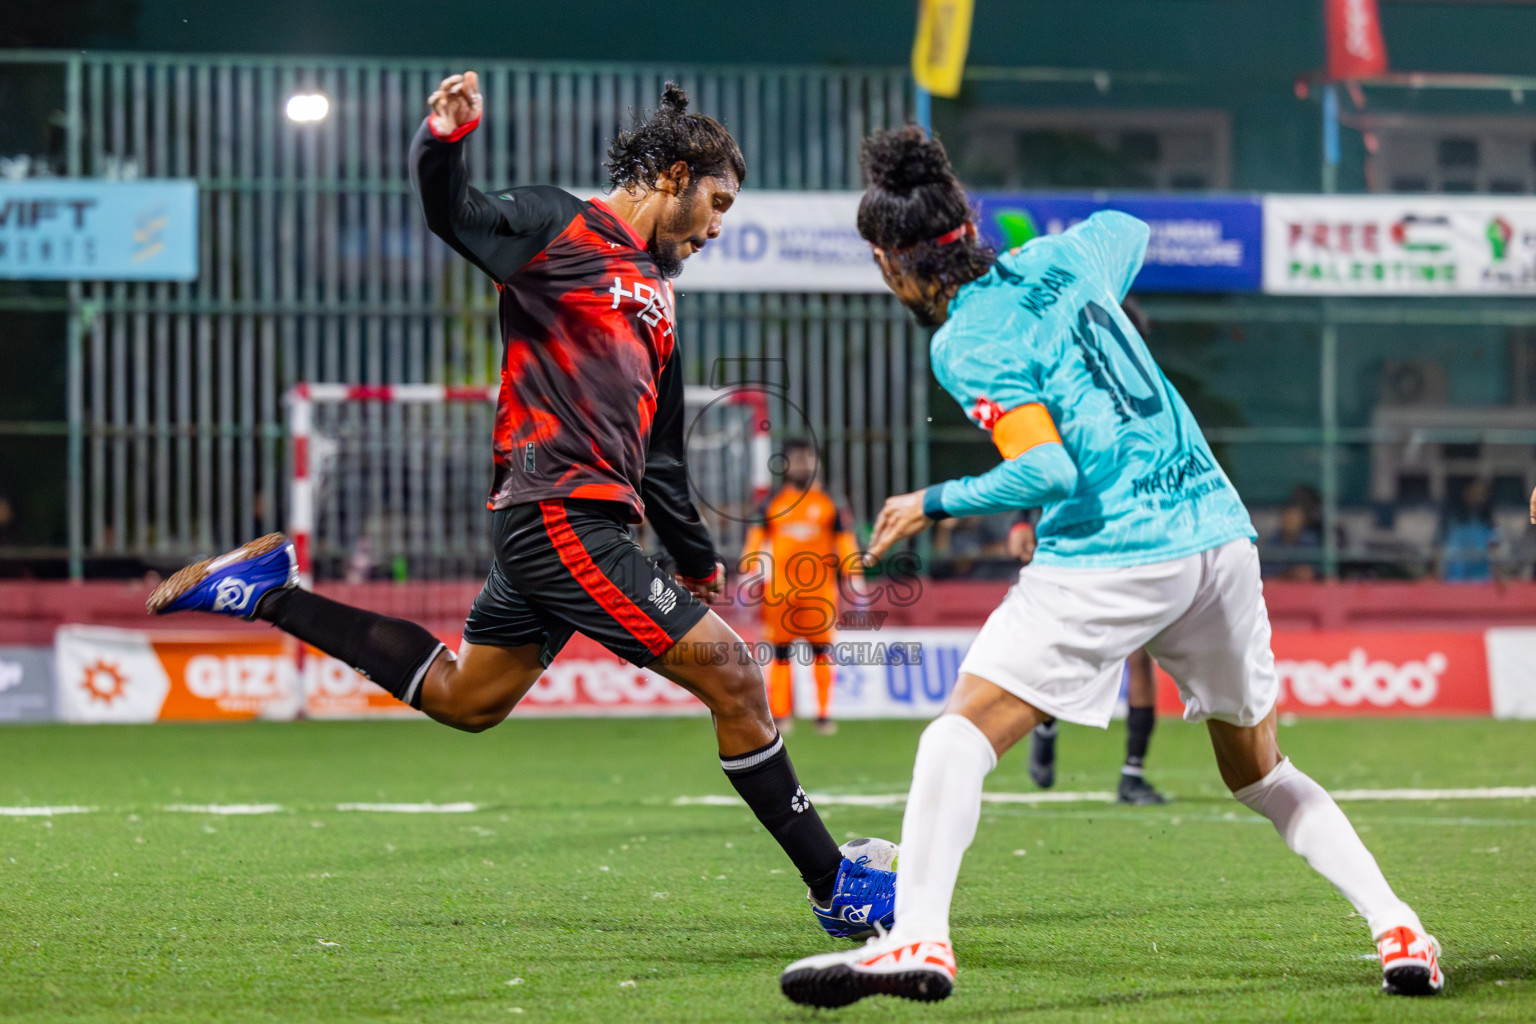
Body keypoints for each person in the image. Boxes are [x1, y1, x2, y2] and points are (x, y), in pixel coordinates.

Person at [146, 74, 893, 942]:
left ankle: (267, 591)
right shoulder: (557, 226)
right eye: (717, 202)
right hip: (556, 516)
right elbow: (451, 212)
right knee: (732, 674)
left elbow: (660, 453)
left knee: (469, 698)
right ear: (675, 174)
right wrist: (441, 140)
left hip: (578, 524)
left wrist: (692, 554)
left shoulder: (657, 293)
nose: (720, 225)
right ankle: (836, 885)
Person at [778, 126, 1442, 1007]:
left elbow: (1049, 469)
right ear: (967, 224)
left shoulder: (965, 340)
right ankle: (1400, 929)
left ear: (891, 264)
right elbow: (1127, 225)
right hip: (1217, 533)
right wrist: (1045, 261)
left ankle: (919, 942)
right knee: (1261, 772)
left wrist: (930, 501)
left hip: (1119, 551)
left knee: (955, 735)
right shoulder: (1064, 258)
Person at [1010, 516, 1167, 805]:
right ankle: (1046, 719)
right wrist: (1020, 522)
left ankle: (1132, 772)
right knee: (1059, 644)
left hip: (1127, 545)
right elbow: (1021, 468)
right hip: (1073, 544)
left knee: (1139, 651)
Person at [739, 438, 862, 735]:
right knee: (780, 653)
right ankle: (781, 715)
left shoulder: (830, 502)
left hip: (820, 591)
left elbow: (845, 541)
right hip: (780, 590)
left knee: (821, 651)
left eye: (807, 459)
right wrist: (748, 570)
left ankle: (823, 715)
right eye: (797, 459)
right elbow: (756, 539)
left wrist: (854, 575)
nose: (803, 465)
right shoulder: (773, 502)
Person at [1439, 477, 1499, 583]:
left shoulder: (1489, 521)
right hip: (1454, 579)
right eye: (1474, 492)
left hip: (1482, 579)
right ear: (1465, 492)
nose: (1477, 497)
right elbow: (1440, 548)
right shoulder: (1451, 518)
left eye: (1481, 494)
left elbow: (1496, 549)